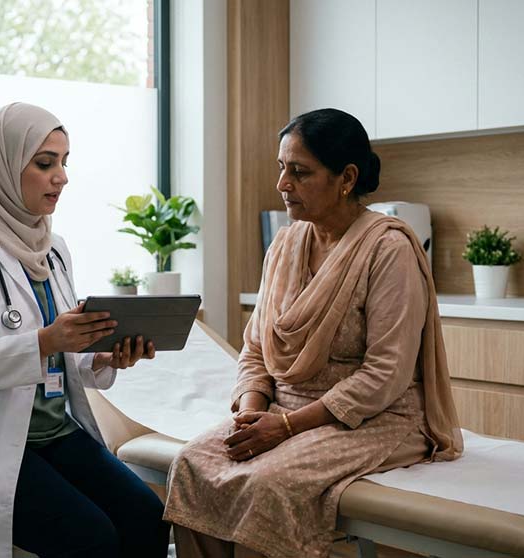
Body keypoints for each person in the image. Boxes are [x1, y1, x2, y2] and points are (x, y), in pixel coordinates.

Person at [163, 108, 463, 558]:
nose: (283, 183)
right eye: (281, 168)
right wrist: (251, 414)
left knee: (266, 485)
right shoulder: (285, 244)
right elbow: (256, 348)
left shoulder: (388, 249)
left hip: (374, 419)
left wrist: (284, 427)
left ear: (346, 178)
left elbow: (386, 374)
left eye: (299, 172)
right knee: (191, 464)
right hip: (281, 412)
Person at [0, 103, 170, 558]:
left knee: (145, 516)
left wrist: (101, 356)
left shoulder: (52, 248)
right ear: (2, 166)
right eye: (45, 163)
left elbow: (67, 356)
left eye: (64, 163)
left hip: (55, 433)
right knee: (91, 537)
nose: (61, 176)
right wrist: (45, 341)